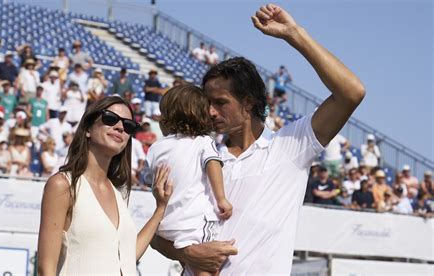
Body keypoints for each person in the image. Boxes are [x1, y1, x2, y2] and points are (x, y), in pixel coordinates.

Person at [151, 4, 366, 274]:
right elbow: (158, 234)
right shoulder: (199, 154)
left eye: (220, 102)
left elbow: (352, 93)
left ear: (248, 103)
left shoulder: (290, 147)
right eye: (207, 102)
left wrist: (294, 34)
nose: (210, 111)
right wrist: (189, 253)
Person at [37, 96, 173, 275]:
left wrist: (160, 209)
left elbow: (127, 258)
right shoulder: (62, 185)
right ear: (87, 129)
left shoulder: (117, 192)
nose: (120, 127)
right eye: (110, 118)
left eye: (128, 125)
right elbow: (46, 268)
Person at [147, 85, 232, 276]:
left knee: (190, 267)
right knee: (207, 267)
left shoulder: (156, 148)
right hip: (193, 222)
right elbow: (212, 164)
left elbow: (149, 178)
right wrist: (221, 199)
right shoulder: (203, 141)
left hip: (166, 226)